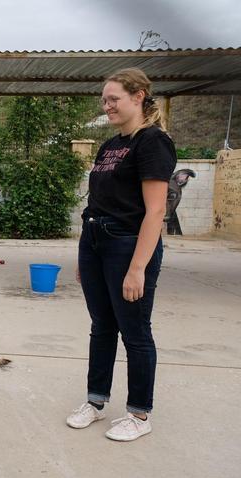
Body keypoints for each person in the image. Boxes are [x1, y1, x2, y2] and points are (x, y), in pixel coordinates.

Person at [66, 68, 175, 441]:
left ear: (139, 96)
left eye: (114, 98)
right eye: (104, 99)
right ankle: (96, 402)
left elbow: (156, 211)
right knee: (102, 327)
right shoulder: (111, 146)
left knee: (135, 332)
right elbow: (98, 200)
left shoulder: (153, 143)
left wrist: (137, 268)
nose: (106, 105)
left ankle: (139, 415)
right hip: (95, 241)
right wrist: (86, 253)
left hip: (128, 245)